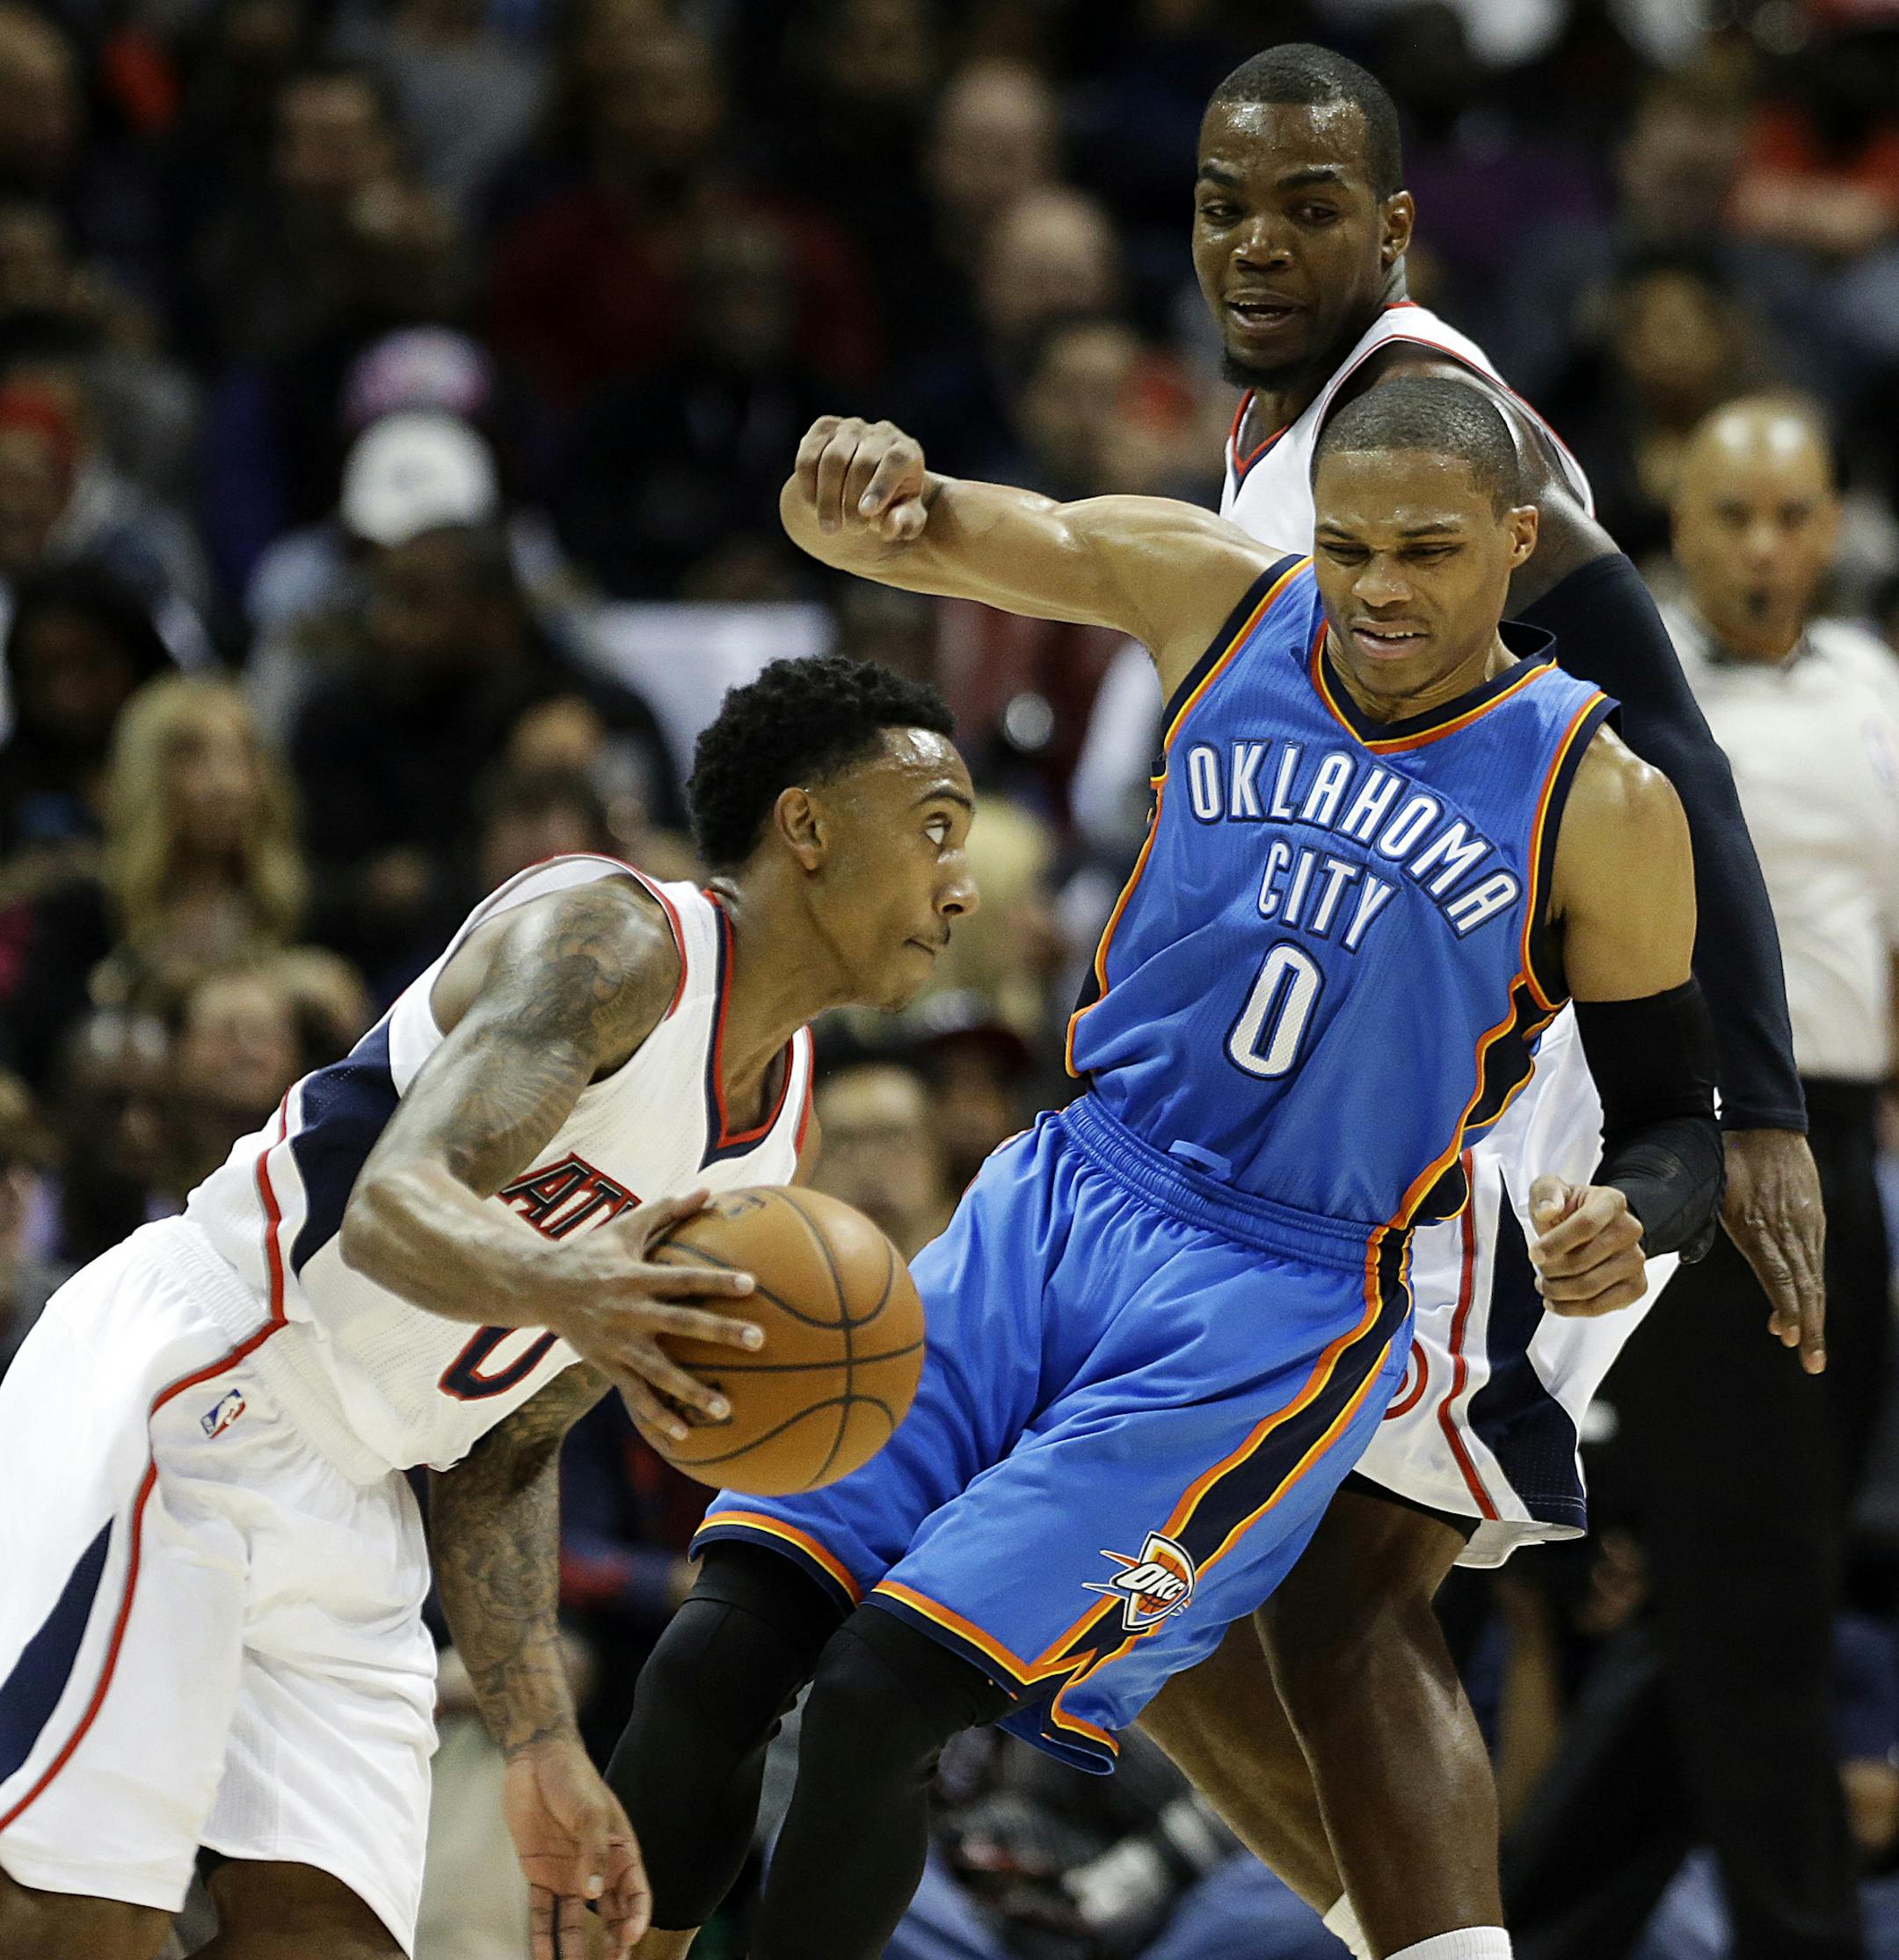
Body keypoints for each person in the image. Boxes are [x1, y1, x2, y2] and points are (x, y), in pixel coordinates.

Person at [605, 385, 1721, 1960]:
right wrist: (841, 489)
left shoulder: (1597, 798)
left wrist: (1637, 1213)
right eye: (1347, 547)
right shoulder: (1219, 598)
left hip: (1274, 1303)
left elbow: (1679, 1123)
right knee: (711, 1659)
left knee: (874, 1704)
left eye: (1426, 550)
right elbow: (904, 532)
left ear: (1515, 540)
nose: (1378, 588)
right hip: (1063, 1193)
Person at [1094, 47, 1823, 1960]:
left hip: (1524, 1088)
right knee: (1137, 1573)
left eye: (1311, 206)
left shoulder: (1430, 416)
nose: (1261, 242)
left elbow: (1667, 748)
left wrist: (1753, 1107)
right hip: (1362, 1088)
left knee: (1341, 1595)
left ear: (1396, 226)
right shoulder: (1286, 431)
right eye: (1226, 204)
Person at [0, 652, 979, 1960]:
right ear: (806, 824)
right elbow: (396, 1202)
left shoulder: (775, 1136)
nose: (961, 884)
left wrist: (539, 1742)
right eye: (934, 828)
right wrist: (573, 1283)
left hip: (367, 1490)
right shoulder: (617, 943)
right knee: (77, 1918)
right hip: (208, 1376)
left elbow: (510, 1439)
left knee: (332, 1945)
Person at [1502, 397, 1899, 1960]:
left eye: (1791, 515)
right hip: (1689, 1143)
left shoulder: (1877, 693)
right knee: (1755, 1601)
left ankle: (1529, 1931)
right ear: (1678, 524)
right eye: (1732, 515)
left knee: (1744, 1597)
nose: (1762, 547)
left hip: (1844, 1146)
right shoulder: (1609, 671)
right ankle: (1806, 1938)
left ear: (1832, 527)